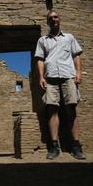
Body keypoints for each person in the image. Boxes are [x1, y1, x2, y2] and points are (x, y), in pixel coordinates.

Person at [34, 10, 86, 160]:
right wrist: (41, 77)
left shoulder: (69, 37)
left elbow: (76, 55)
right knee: (52, 110)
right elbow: (40, 60)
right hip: (50, 79)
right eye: (50, 18)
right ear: (47, 22)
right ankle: (54, 147)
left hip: (68, 76)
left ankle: (76, 146)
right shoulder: (43, 40)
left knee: (71, 109)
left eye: (55, 17)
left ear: (60, 19)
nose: (53, 20)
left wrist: (79, 73)